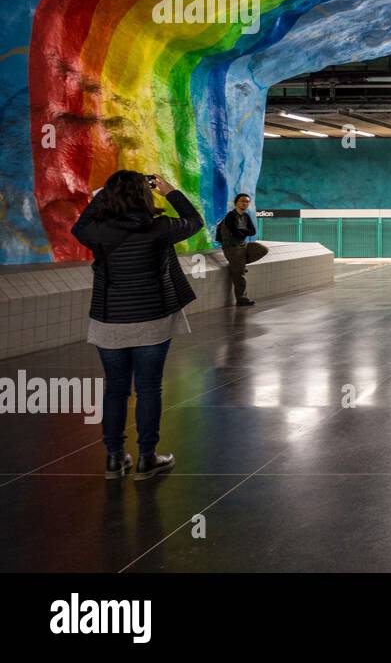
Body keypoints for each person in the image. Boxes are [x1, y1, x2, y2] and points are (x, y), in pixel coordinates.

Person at [71, 170, 203, 481]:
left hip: (109, 321)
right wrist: (170, 192)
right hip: (152, 321)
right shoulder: (159, 228)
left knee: (115, 390)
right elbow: (194, 221)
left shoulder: (98, 231)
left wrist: (107, 191)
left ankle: (114, 459)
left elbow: (79, 226)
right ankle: (147, 458)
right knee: (148, 389)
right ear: (145, 195)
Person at [217, 193, 268, 307]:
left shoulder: (246, 216)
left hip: (243, 246)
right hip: (232, 248)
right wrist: (244, 231)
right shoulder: (231, 216)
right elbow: (236, 233)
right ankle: (241, 299)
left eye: (247, 201)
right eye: (242, 201)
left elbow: (253, 231)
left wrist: (242, 231)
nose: (245, 203)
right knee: (239, 274)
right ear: (236, 202)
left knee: (262, 249)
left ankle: (239, 264)